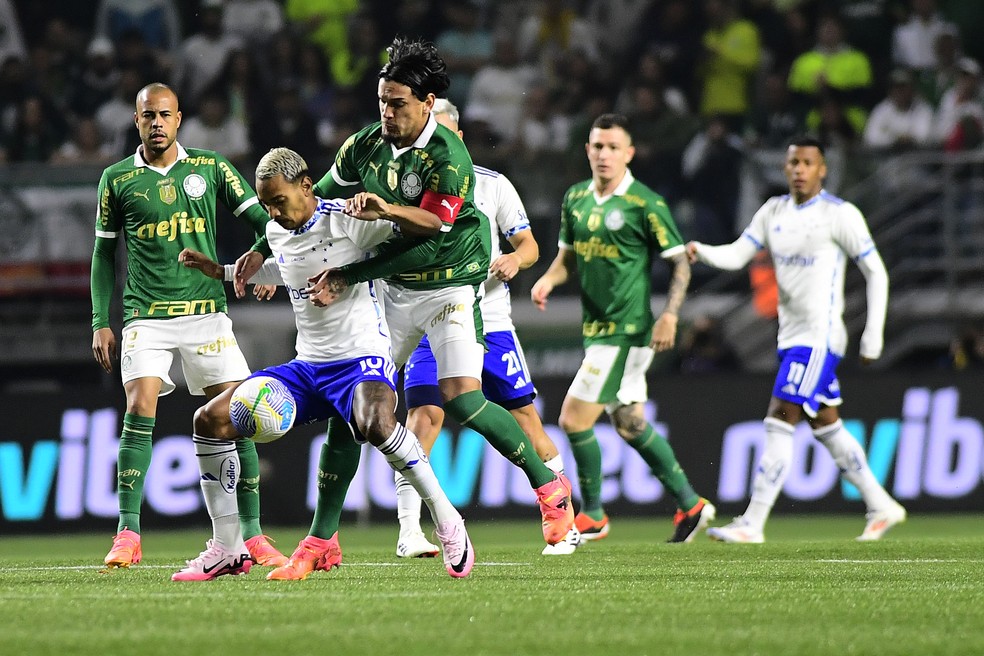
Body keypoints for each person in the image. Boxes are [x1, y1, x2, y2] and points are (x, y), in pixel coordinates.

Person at [261, 36, 575, 547]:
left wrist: (378, 224)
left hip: (449, 287)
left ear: (427, 104)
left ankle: (549, 489)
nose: (387, 112)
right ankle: (322, 541)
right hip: (393, 293)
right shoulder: (364, 144)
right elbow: (305, 200)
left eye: (398, 103)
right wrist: (262, 245)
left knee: (462, 398)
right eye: (382, 101)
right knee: (353, 400)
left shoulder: (449, 156)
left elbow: (429, 230)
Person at [177, 147, 474, 580]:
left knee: (375, 423)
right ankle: (227, 548)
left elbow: (418, 240)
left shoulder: (348, 221)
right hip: (308, 367)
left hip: (362, 360)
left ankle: (448, 521)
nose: (273, 213)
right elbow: (290, 269)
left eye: (279, 201)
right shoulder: (278, 233)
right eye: (265, 205)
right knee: (209, 419)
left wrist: (387, 219)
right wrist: (222, 271)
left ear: (305, 186)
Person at [90, 82, 286, 571]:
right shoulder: (116, 179)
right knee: (139, 406)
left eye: (165, 115)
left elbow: (266, 220)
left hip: (205, 311)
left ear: (180, 119)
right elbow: (102, 254)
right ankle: (128, 534)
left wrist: (261, 264)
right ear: (136, 122)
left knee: (239, 414)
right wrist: (100, 320)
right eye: (147, 116)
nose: (156, 123)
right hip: (145, 316)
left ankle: (253, 535)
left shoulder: (210, 168)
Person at [686, 136, 906, 543]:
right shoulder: (773, 212)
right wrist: (703, 251)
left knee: (778, 418)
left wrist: (873, 334)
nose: (800, 169)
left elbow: (876, 271)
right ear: (785, 169)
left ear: (822, 169)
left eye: (808, 162)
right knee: (827, 425)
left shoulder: (840, 215)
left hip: (819, 338)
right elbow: (737, 254)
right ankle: (881, 504)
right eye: (794, 163)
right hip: (790, 337)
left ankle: (752, 522)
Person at [393, 98, 578, 558]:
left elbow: (530, 245)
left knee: (525, 420)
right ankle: (409, 531)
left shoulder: (492, 185)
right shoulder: (407, 186)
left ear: (456, 136)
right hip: (427, 315)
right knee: (422, 418)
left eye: (440, 134)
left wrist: (516, 258)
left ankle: (562, 511)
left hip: (490, 321)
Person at [530, 113, 716, 544]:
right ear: (587, 151)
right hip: (596, 330)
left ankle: (592, 514)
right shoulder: (575, 197)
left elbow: (679, 262)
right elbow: (566, 261)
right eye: (597, 146)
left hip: (627, 331)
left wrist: (670, 315)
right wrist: (547, 280)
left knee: (573, 419)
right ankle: (690, 504)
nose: (604, 154)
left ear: (629, 153)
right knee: (629, 422)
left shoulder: (645, 203)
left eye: (613, 147)